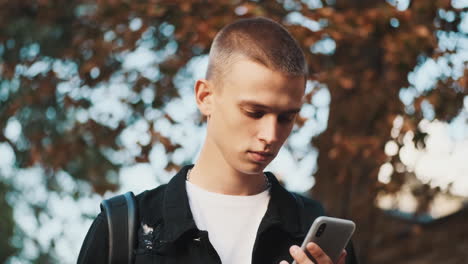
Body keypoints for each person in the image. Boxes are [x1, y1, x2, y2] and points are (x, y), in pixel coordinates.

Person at [77, 17, 358, 264]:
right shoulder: (125, 228)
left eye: (286, 117)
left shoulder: (314, 232)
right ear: (205, 97)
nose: (271, 136)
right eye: (254, 112)